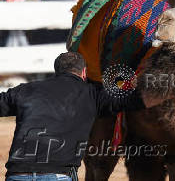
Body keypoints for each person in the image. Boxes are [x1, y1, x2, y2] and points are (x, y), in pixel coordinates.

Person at [1, 52, 145, 181]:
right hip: (57, 175)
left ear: (56, 72)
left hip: (18, 175)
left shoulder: (25, 90)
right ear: (84, 73)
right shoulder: (92, 94)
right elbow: (137, 99)